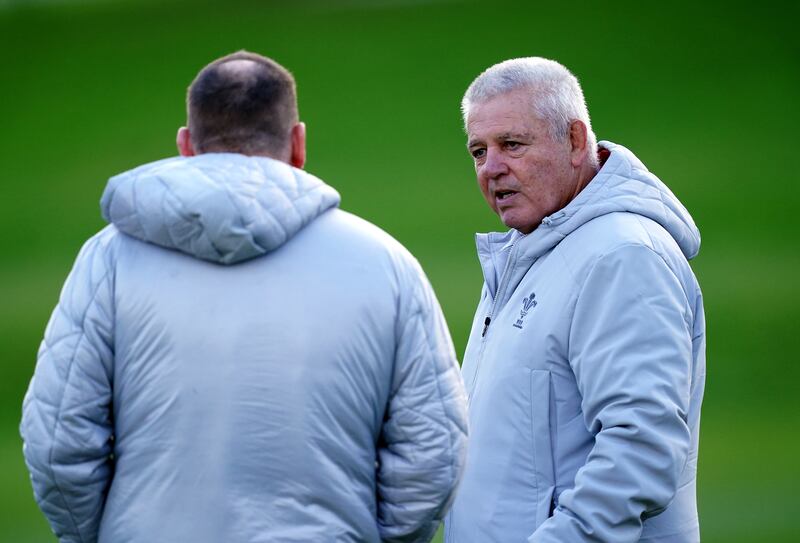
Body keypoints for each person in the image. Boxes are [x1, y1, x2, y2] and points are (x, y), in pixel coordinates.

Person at [21, 50, 468, 543]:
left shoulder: (109, 258)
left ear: (186, 145)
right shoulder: (386, 263)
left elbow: (58, 443)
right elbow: (434, 453)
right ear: (298, 144)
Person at [444, 57, 706, 542]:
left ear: (575, 141)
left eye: (512, 145)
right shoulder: (529, 249)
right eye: (478, 151)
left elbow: (641, 451)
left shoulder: (622, 255)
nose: (491, 168)